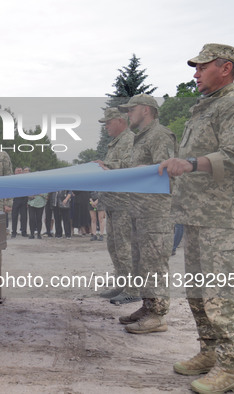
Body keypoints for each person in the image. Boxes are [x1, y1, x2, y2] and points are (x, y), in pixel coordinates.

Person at [159, 43, 234, 393]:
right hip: (197, 214)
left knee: (223, 293)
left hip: (224, 217)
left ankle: (230, 370)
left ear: (225, 68)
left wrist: (191, 163)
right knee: (199, 291)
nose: (195, 73)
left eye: (202, 67)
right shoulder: (203, 108)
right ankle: (209, 352)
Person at [115, 94, 176, 335]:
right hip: (139, 209)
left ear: (146, 110)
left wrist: (142, 170)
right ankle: (147, 306)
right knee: (141, 263)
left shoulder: (160, 135)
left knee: (154, 263)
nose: (128, 114)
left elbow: (168, 169)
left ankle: (158, 315)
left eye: (132, 109)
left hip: (156, 212)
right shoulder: (141, 138)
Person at [96, 107, 138, 304]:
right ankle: (121, 284)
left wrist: (107, 166)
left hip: (124, 203)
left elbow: (130, 165)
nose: (106, 127)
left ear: (120, 121)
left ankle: (132, 289)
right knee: (113, 245)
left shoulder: (130, 140)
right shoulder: (115, 143)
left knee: (124, 247)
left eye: (108, 123)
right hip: (113, 203)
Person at [11, 167, 28, 238]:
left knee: (24, 217)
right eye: (18, 171)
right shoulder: (12, 179)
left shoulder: (25, 179)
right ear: (15, 172)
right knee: (14, 217)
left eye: (20, 171)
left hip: (24, 200)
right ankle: (14, 232)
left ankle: (24, 232)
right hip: (15, 200)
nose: (19, 172)